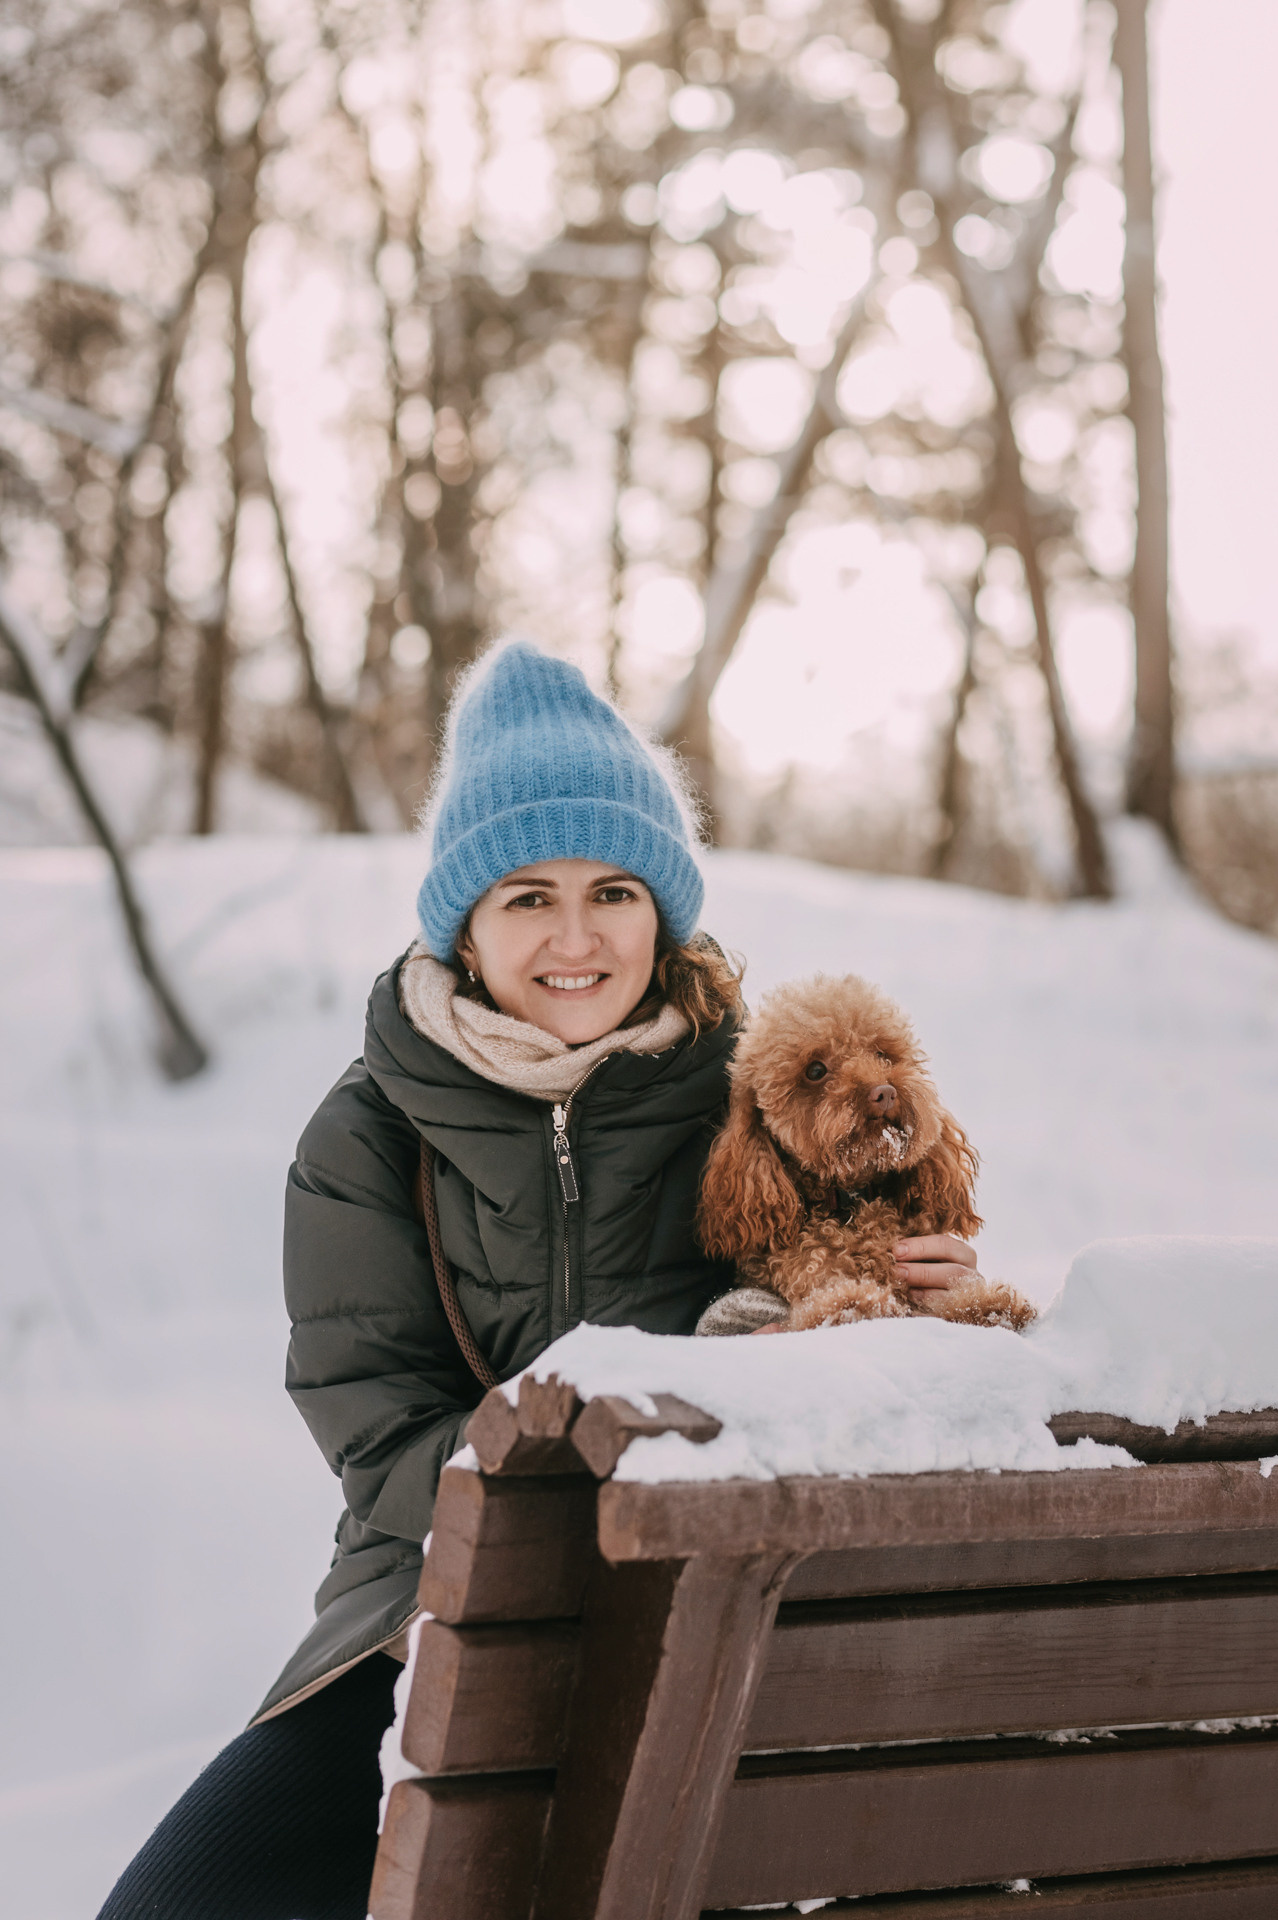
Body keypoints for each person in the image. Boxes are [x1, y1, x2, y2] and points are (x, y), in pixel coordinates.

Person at [96, 641, 977, 1920]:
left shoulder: (765, 1097)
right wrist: (566, 1491)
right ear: (464, 918)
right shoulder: (366, 1137)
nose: (577, 938)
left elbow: (847, 1333)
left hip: (719, 1615)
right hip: (428, 1611)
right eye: (526, 897)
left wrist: (933, 1308)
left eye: (613, 890)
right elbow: (377, 1427)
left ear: (661, 912)